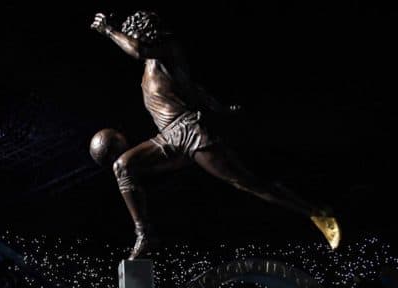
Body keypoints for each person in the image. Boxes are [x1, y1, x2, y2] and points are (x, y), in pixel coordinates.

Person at [89, 11, 340, 259]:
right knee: (123, 166)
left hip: (192, 132)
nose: (129, 41)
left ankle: (316, 211)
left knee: (246, 183)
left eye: (132, 36)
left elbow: (139, 50)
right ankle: (145, 235)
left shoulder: (168, 49)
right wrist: (220, 109)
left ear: (145, 33)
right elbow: (194, 91)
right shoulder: (149, 72)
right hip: (168, 137)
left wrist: (109, 30)